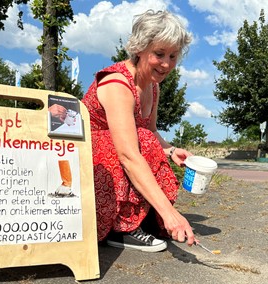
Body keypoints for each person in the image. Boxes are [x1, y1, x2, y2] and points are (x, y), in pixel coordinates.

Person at [82, 10, 196, 252]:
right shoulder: (117, 84)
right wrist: (170, 213)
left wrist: (171, 150)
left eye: (173, 56)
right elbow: (128, 155)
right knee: (140, 142)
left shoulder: (152, 87)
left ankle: (138, 219)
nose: (166, 64)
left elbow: (151, 131)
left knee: (145, 138)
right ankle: (121, 228)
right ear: (139, 49)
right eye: (159, 54)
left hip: (119, 156)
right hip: (88, 163)